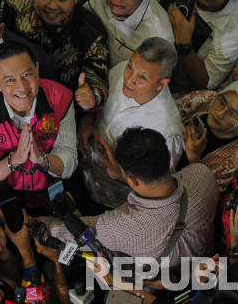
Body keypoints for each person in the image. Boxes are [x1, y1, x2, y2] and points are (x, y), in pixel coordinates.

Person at [41, 127, 218, 269]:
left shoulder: (123, 227)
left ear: (132, 179)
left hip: (151, 281)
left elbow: (55, 232)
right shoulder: (203, 174)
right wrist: (124, 177)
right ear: (168, 156)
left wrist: (28, 222)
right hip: (197, 264)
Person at [0, 42, 77, 208]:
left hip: (50, 196)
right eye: (10, 80)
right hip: (2, 201)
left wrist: (42, 159)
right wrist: (15, 160)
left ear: (37, 70)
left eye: (27, 75)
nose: (22, 87)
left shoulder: (61, 98)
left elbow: (69, 160)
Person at [78, 38, 184, 208]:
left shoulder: (167, 131)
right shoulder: (119, 70)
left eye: (142, 77)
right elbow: (101, 104)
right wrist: (88, 120)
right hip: (85, 169)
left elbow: (159, 189)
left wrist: (121, 175)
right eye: (130, 67)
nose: (129, 80)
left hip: (116, 199)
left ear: (162, 83)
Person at [0, 0, 110, 110]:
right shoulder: (12, 4)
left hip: (59, 108)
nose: (52, 6)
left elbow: (99, 83)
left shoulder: (91, 33)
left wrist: (91, 95)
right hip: (7, 97)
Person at [180, 79, 238, 189]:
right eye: (222, 102)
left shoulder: (235, 159)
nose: (220, 114)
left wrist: (194, 158)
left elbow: (203, 192)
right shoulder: (205, 99)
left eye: (232, 114)